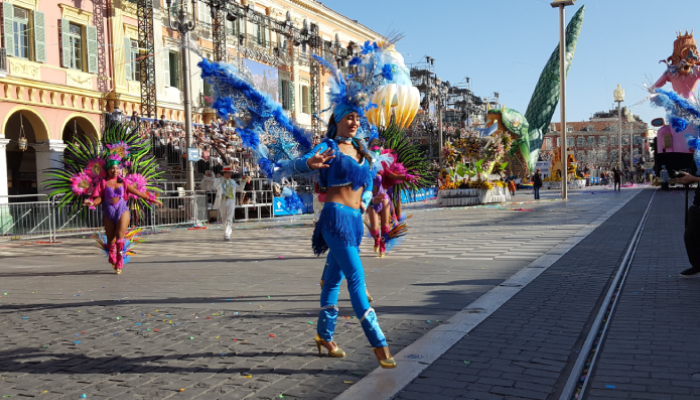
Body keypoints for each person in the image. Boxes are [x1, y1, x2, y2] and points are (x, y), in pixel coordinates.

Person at [677, 172, 700, 277]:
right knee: (690, 236)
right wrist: (688, 177)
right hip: (697, 205)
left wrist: (694, 178)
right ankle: (697, 265)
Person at [212, 166, 240, 241]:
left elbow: (240, 188)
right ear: (225, 173)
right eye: (229, 172)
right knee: (224, 217)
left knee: (229, 217)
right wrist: (221, 180)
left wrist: (243, 181)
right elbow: (215, 186)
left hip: (231, 200)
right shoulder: (218, 180)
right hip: (223, 200)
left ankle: (227, 233)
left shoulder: (233, 182)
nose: (230, 174)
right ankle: (228, 230)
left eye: (231, 172)